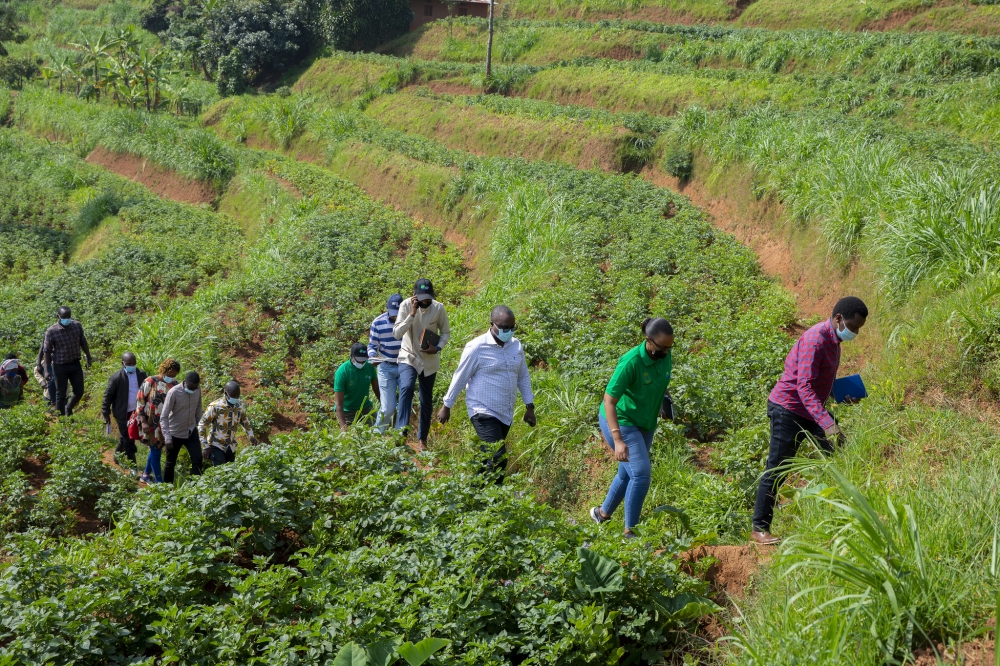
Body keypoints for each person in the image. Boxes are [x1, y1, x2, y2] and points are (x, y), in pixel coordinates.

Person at [751, 296, 869, 545]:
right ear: (838, 319)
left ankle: (842, 516)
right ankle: (759, 529)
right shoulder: (816, 339)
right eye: (853, 326)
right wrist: (827, 422)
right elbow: (803, 387)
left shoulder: (834, 341)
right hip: (788, 409)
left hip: (810, 409)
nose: (855, 332)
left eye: (858, 328)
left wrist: (842, 395)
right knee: (778, 468)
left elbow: (818, 380)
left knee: (839, 452)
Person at [590, 317, 675, 539]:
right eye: (662, 348)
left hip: (645, 423)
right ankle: (631, 533)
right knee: (640, 474)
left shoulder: (664, 354)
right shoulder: (631, 362)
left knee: (627, 474)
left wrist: (666, 401)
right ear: (648, 341)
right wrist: (617, 440)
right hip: (621, 422)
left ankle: (601, 514)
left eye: (670, 347)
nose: (666, 352)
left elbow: (663, 381)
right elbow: (609, 401)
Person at [438, 305, 536, 484]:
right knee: (499, 457)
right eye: (504, 328)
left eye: (512, 328)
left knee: (487, 461)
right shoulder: (476, 347)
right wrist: (447, 405)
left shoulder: (516, 346)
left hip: (505, 412)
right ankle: (496, 501)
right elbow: (460, 377)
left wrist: (530, 406)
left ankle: (473, 495)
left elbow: (523, 377)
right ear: (492, 324)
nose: (508, 332)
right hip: (482, 410)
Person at [394, 278, 450, 452]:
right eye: (422, 298)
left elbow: (446, 332)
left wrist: (438, 347)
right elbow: (397, 334)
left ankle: (422, 439)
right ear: (414, 296)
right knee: (407, 388)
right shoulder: (405, 306)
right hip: (408, 356)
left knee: (426, 400)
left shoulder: (438, 308)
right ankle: (401, 432)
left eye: (428, 298)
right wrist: (412, 314)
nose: (425, 301)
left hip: (428, 358)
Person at [135, 358, 181, 483]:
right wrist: (143, 421)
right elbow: (140, 401)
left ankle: (145, 475)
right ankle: (159, 483)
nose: (171, 377)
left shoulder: (175, 385)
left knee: (156, 449)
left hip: (165, 425)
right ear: (164, 370)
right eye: (170, 374)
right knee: (156, 451)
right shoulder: (150, 381)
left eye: (174, 375)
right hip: (151, 423)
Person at [42, 306, 92, 416]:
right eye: (64, 317)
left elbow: (83, 342)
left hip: (75, 363)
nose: (67, 319)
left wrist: (88, 356)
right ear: (58, 317)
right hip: (59, 365)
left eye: (69, 317)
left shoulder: (76, 326)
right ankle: (61, 419)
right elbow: (46, 351)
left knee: (79, 391)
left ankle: (68, 408)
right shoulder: (52, 331)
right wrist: (46, 369)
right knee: (61, 393)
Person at [101, 352, 148, 470]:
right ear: (123, 363)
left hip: (136, 412)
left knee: (125, 436)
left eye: (134, 363)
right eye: (129, 363)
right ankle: (133, 468)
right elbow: (108, 396)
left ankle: (117, 455)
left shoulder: (141, 374)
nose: (132, 365)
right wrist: (105, 413)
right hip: (122, 413)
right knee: (129, 439)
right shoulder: (116, 377)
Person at [198, 380, 259, 468]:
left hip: (230, 446)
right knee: (221, 473)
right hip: (216, 445)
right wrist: (205, 446)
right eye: (233, 395)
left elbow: (245, 421)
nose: (236, 398)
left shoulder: (239, 406)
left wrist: (251, 436)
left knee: (230, 473)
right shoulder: (215, 406)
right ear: (225, 393)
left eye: (237, 395)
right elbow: (202, 425)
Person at [368, 294, 403, 432]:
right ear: (387, 309)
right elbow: (372, 346)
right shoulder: (378, 323)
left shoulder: (409, 321)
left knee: (404, 406)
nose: (395, 317)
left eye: (398, 314)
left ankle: (400, 438)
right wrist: (372, 357)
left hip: (404, 367)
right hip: (386, 368)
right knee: (388, 408)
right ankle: (378, 438)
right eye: (393, 314)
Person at [160, 371, 203, 484]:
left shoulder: (197, 390)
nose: (193, 390)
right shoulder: (174, 392)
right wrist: (167, 436)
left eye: (195, 387)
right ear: (185, 382)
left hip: (190, 430)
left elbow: (198, 410)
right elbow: (164, 416)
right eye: (191, 387)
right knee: (170, 463)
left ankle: (194, 487)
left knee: (198, 459)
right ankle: (167, 488)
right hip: (175, 433)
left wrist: (202, 429)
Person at [335, 343, 380, 432]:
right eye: (359, 360)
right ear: (352, 356)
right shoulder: (342, 372)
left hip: (366, 409)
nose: (362, 363)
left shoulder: (369, 367)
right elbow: (339, 404)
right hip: (348, 411)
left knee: (375, 432)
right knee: (351, 437)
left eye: (364, 360)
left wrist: (385, 407)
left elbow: (376, 388)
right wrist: (343, 427)